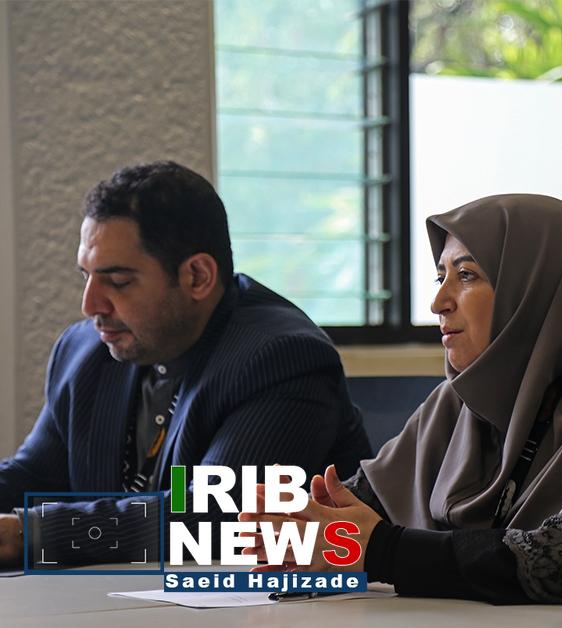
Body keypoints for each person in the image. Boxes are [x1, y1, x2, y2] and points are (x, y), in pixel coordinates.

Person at [242, 193, 562, 603]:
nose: (439, 301)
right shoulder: (454, 405)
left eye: (466, 275)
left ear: (533, 288)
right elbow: (359, 515)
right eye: (440, 277)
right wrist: (304, 532)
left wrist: (385, 551)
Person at [0, 161, 371, 567]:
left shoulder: (283, 357)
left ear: (197, 276)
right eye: (85, 276)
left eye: (118, 281)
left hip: (261, 603)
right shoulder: (85, 350)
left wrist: (27, 535)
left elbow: (211, 517)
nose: (90, 305)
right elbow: (33, 476)